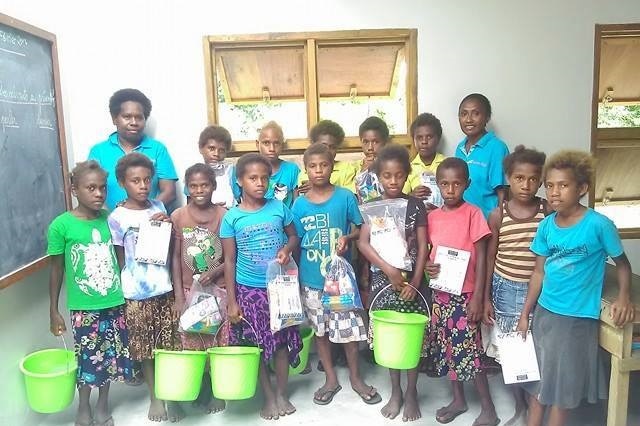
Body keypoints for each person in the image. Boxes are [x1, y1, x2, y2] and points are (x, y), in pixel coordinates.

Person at [516, 150, 635, 426]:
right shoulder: (546, 226)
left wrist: (625, 298)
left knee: (562, 393)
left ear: (582, 188)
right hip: (545, 314)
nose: (554, 192)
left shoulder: (599, 225)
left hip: (577, 320)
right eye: (550, 185)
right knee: (539, 384)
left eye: (563, 185)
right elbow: (538, 272)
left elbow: (623, 265)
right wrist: (525, 313)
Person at [291, 144, 376, 406]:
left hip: (340, 283)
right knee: (321, 332)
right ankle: (330, 379)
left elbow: (360, 228)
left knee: (349, 331)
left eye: (324, 165)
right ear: (306, 170)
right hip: (312, 281)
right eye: (313, 166)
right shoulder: (299, 205)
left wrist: (347, 238)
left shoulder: (345, 197)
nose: (319, 170)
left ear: (332, 166)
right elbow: (295, 240)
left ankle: (356, 378)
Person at [48, 161, 131, 426]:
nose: (98, 194)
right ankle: (83, 406)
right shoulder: (61, 226)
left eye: (102, 188)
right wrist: (54, 310)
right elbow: (56, 270)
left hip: (114, 300)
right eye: (91, 188)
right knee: (87, 359)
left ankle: (103, 404)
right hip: (84, 306)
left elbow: (120, 258)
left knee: (110, 358)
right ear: (75, 190)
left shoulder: (111, 220)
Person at [220, 153, 302, 420]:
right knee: (256, 344)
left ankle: (281, 393)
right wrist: (232, 302)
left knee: (280, 344)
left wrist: (287, 249)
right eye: (253, 178)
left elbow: (294, 236)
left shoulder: (279, 207)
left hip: (279, 287)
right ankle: (267, 397)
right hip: (249, 291)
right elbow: (229, 261)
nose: (260, 183)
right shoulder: (232, 218)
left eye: (264, 178)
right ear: (240, 181)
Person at [106, 153, 181, 422]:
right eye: (135, 181)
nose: (143, 185)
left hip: (164, 288)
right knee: (147, 349)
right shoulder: (116, 217)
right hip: (137, 294)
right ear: (122, 183)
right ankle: (155, 397)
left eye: (147, 180)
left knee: (169, 346)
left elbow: (172, 248)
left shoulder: (159, 206)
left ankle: (172, 395)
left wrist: (169, 225)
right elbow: (120, 259)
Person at [358, 144, 428, 422]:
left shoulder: (417, 205)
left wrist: (416, 281)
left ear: (407, 175)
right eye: (387, 176)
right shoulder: (372, 206)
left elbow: (423, 246)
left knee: (410, 339)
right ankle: (395, 392)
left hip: (412, 282)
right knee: (391, 339)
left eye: (399, 175)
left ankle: (411, 392)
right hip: (383, 281)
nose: (393, 181)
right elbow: (363, 243)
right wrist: (387, 269)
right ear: (378, 177)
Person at [426, 157, 499, 426]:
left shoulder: (473, 214)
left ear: (467, 184)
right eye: (444, 184)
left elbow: (482, 258)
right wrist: (428, 267)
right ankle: (458, 399)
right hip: (441, 294)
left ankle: (489, 408)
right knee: (448, 348)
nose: (450, 189)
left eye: (457, 184)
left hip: (466, 295)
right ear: (437, 184)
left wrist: (479, 297)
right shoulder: (432, 217)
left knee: (470, 350)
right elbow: (428, 257)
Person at [482, 146, 549, 426]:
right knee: (513, 354)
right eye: (519, 178)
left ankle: (536, 409)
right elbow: (490, 256)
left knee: (537, 352)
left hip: (540, 291)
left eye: (533, 179)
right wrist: (485, 297)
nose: (526, 184)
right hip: (505, 290)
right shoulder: (499, 214)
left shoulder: (547, 211)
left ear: (541, 180)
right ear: (508, 177)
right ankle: (520, 407)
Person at [171, 163, 228, 415]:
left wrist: (214, 272)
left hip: (220, 291)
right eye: (193, 186)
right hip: (189, 290)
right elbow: (174, 259)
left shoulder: (225, 215)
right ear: (187, 188)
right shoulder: (178, 216)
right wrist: (178, 296)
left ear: (213, 186)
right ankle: (201, 387)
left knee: (217, 340)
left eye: (204, 185)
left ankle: (217, 390)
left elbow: (231, 256)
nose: (199, 190)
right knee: (194, 340)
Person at [88, 88, 178, 211]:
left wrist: (143, 213)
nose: (134, 122)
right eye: (127, 117)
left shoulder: (157, 149)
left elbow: (169, 192)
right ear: (115, 119)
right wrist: (115, 217)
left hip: (150, 222)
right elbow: (90, 191)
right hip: (110, 223)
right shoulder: (99, 151)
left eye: (139, 117)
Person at [454, 93, 509, 218]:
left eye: (476, 113)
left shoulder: (497, 148)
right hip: (463, 220)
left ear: (487, 117)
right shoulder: (459, 148)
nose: (469, 119)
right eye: (464, 114)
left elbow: (502, 191)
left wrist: (500, 222)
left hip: (487, 222)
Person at [231, 121, 300, 207]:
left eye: (276, 143)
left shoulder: (292, 170)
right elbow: (239, 201)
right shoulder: (246, 170)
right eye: (266, 143)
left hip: (285, 219)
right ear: (257, 144)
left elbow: (297, 203)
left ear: (282, 145)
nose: (272, 148)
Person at [296, 119, 355, 196]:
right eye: (323, 146)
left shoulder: (347, 169)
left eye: (332, 147)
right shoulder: (305, 173)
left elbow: (350, 196)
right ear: (313, 145)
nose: (327, 150)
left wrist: (318, 187)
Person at [184, 125, 235, 208]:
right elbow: (190, 206)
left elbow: (241, 200)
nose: (216, 154)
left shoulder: (232, 172)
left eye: (221, 150)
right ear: (201, 148)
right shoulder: (194, 174)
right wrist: (213, 210)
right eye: (211, 149)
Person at [403, 112, 447, 209]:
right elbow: (400, 198)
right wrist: (411, 196)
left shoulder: (447, 164)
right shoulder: (408, 167)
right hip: (418, 219)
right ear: (413, 140)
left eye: (429, 137)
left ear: (438, 139)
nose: (424, 142)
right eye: (419, 138)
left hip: (443, 217)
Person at [352, 116, 390, 203]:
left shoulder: (394, 167)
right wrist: (364, 173)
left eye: (375, 142)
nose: (370, 148)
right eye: (365, 142)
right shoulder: (353, 168)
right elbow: (354, 198)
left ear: (385, 142)